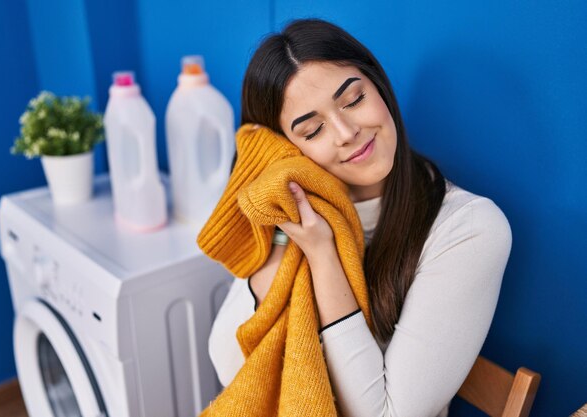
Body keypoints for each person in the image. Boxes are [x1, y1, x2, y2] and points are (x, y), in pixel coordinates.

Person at [208, 18, 511, 417]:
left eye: (353, 99)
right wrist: (287, 241)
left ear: (379, 86)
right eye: (312, 130)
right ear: (284, 151)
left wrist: (324, 258)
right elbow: (229, 365)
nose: (346, 131)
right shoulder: (292, 213)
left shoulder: (468, 229)